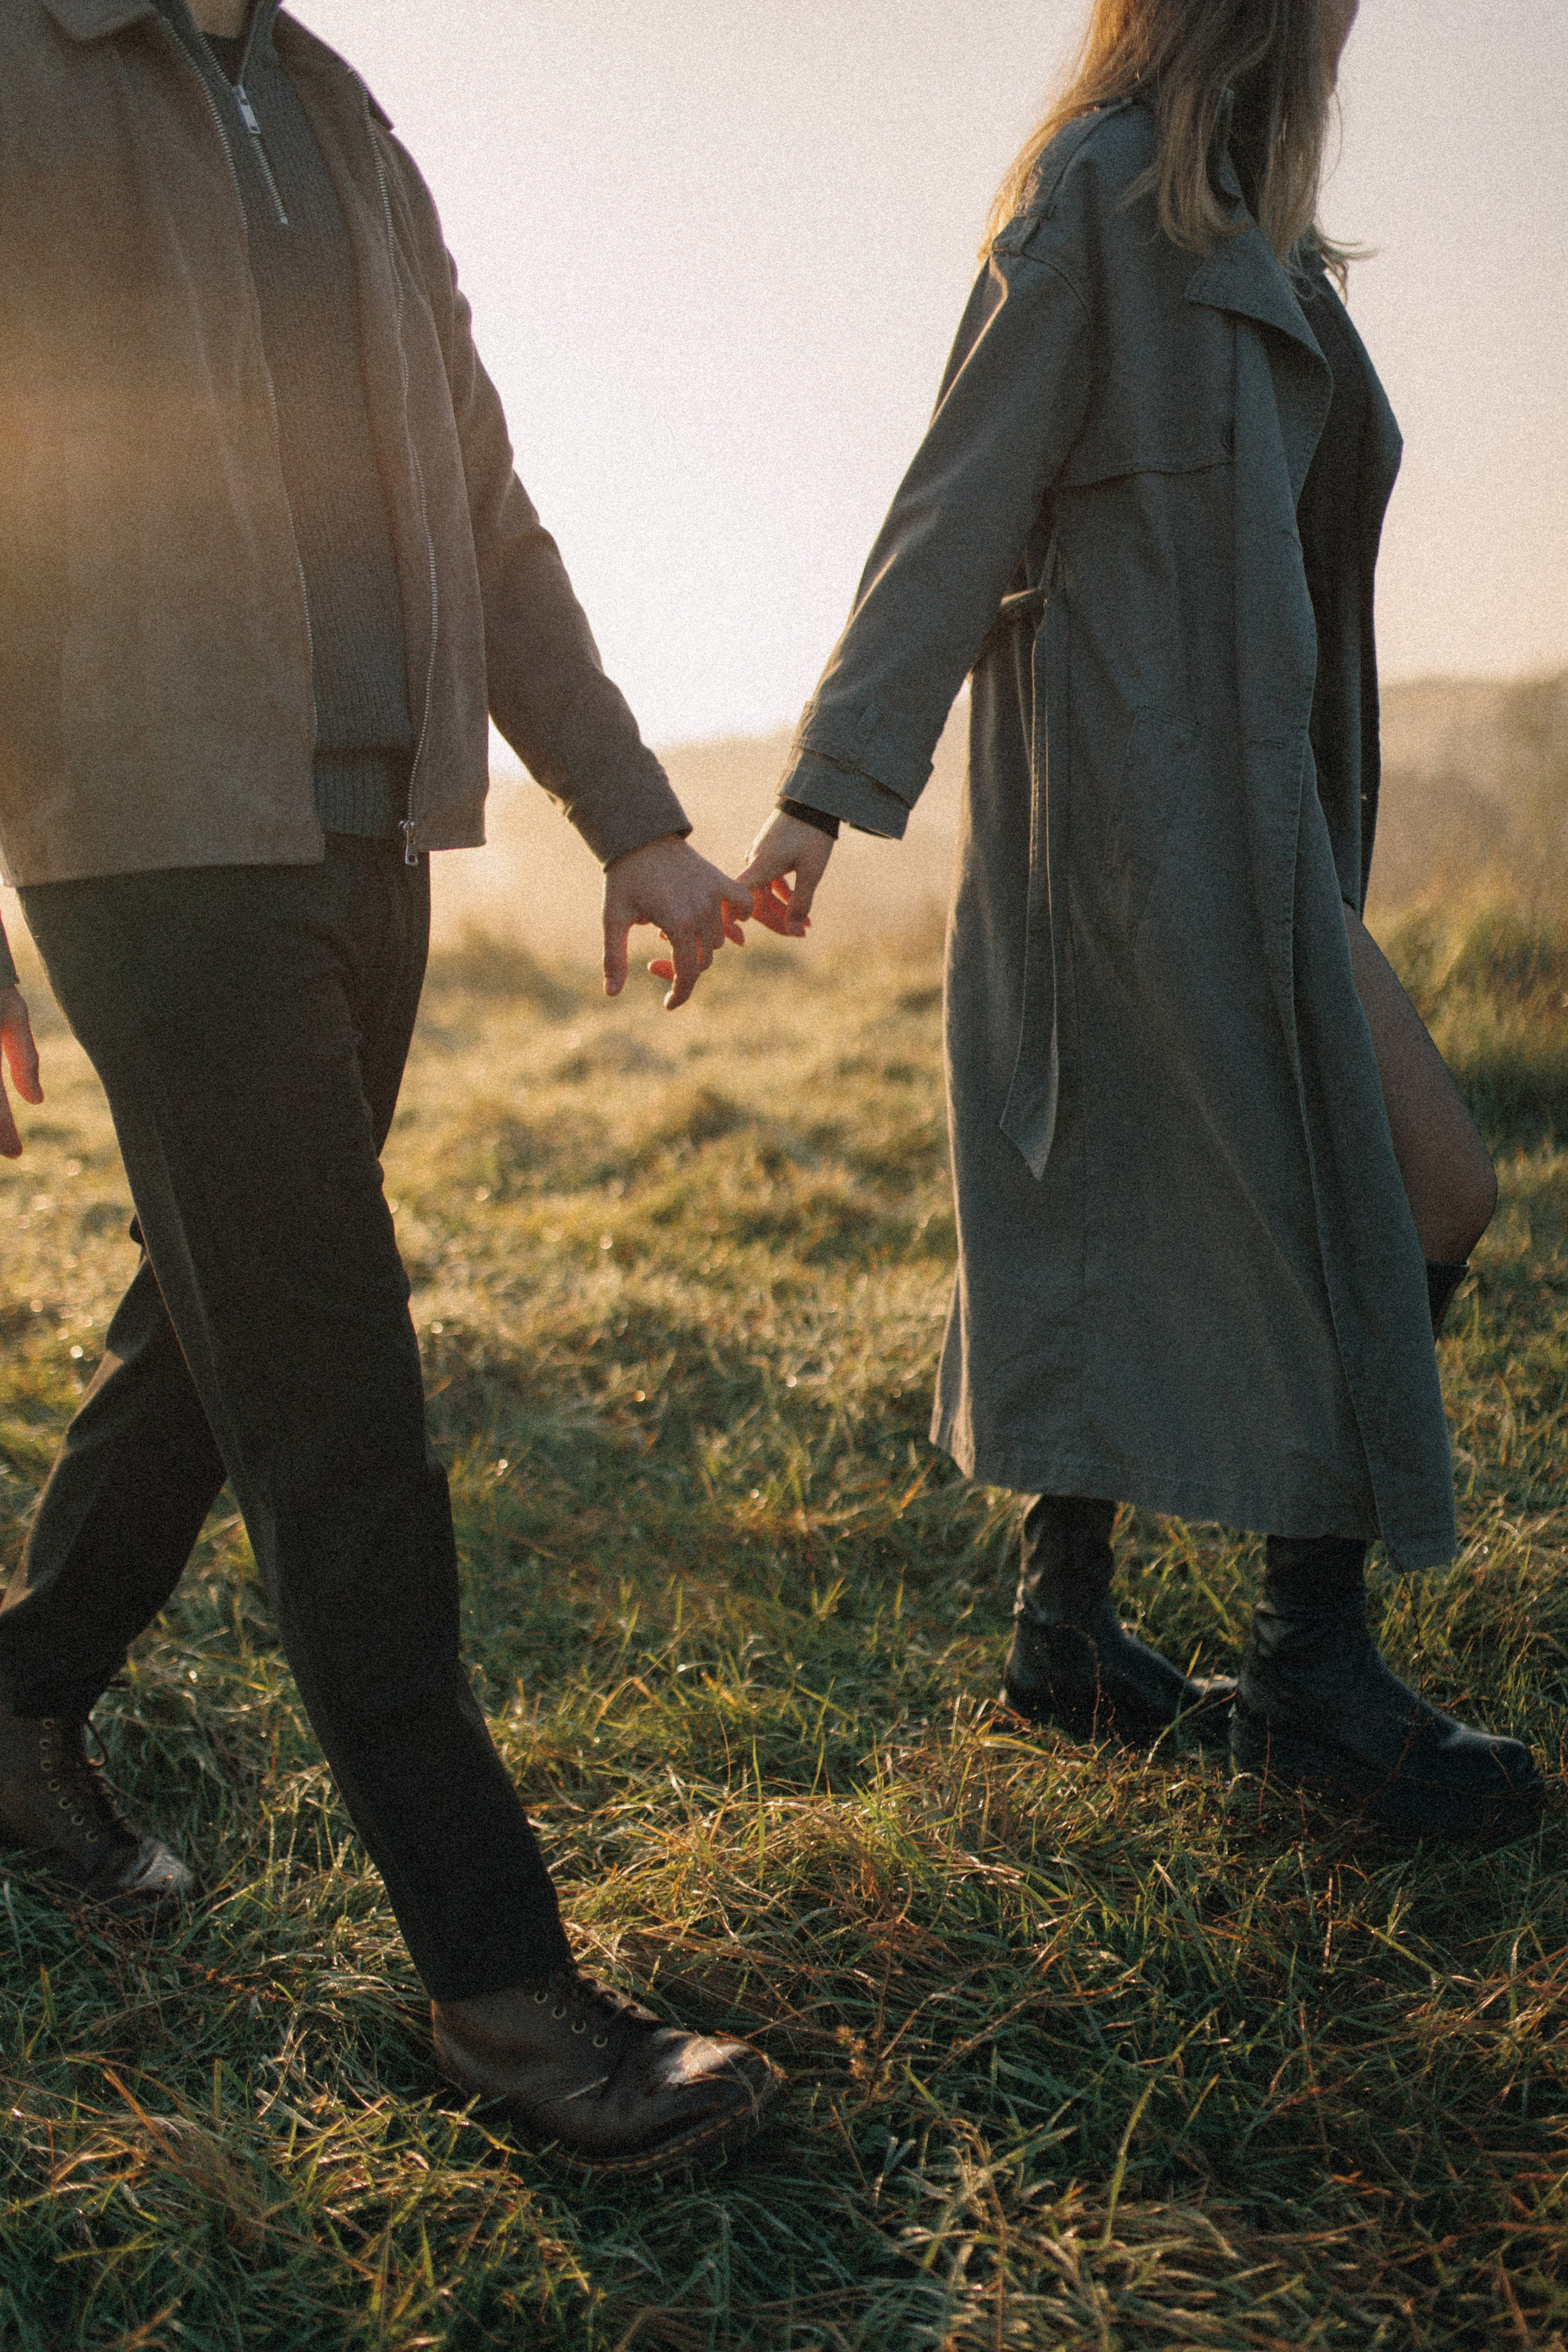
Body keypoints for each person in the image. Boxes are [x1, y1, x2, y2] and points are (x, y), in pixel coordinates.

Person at [0, 0, 782, 2173]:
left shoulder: (339, 110)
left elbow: (480, 496)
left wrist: (627, 807)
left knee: (228, 1312)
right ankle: (508, 1998)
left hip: (370, 835)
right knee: (338, 1390)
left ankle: (20, 1693)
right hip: (148, 829)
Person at [739, 0, 1542, 1840]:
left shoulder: (1269, 241)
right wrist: (823, 795)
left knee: (1107, 1183)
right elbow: (951, 512)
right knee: (1422, 1184)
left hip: (1253, 820)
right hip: (1124, 830)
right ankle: (1308, 1673)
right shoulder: (1093, 199)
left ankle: (1066, 1631)